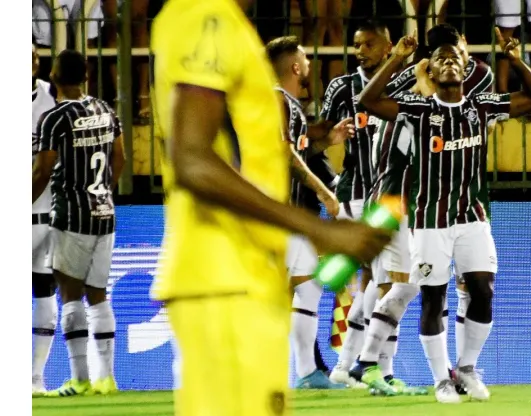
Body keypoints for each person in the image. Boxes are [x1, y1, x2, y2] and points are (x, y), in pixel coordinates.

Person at [149, 1, 391, 415]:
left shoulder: (230, 26)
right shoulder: (205, 18)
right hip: (223, 277)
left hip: (247, 277)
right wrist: (320, 229)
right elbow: (191, 158)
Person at [358, 28, 531, 403]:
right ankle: (440, 379)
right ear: (431, 70)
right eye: (440, 59)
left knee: (483, 290)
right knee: (433, 299)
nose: (448, 62)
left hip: (472, 217)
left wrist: (514, 58)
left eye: (454, 58)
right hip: (430, 221)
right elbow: (368, 100)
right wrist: (397, 57)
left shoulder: (482, 105)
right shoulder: (419, 109)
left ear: (466, 68)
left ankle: (466, 368)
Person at [353, 23, 496, 397]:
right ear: (431, 64)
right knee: (410, 286)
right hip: (402, 201)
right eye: (449, 54)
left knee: (404, 285)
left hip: (395, 198)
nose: (457, 62)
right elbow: (478, 75)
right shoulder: (420, 96)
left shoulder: (419, 86)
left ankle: (368, 362)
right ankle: (370, 362)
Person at [312, 19, 416, 388]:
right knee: (384, 281)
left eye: (369, 44)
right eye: (357, 45)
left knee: (376, 280)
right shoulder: (342, 86)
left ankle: (348, 366)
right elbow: (318, 137)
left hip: (390, 194)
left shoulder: (406, 84)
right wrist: (332, 181)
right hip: (357, 191)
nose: (360, 51)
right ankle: (377, 369)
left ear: (388, 47)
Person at [32, 49, 125, 397]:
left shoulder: (54, 119)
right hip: (104, 213)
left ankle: (79, 378)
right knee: (99, 296)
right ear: (86, 74)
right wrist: (101, 192)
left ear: (54, 77)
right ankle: (107, 378)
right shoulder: (105, 110)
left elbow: (42, 171)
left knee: (70, 296)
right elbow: (120, 158)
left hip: (71, 216)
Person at [266, 35, 351, 390]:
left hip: (289, 215)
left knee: (309, 288)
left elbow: (297, 149)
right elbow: (284, 153)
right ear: (295, 66)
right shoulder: (274, 99)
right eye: (305, 57)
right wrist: (324, 191)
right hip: (273, 213)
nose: (309, 64)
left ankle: (306, 374)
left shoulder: (288, 103)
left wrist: (325, 143)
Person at [31, 44, 59, 397]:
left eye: (35, 57)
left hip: (46, 215)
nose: (32, 62)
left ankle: (36, 378)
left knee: (44, 294)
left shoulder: (51, 98)